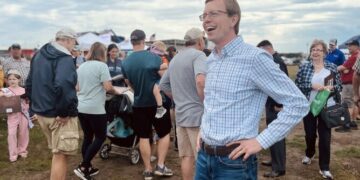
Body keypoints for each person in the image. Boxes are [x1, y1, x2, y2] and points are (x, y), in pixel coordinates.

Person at [195, 0, 309, 179]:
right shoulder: (211, 60)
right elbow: (212, 103)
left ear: (233, 19)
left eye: (213, 14)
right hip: (203, 157)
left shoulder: (255, 58)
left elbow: (298, 103)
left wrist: (260, 141)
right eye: (204, 15)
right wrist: (204, 130)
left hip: (233, 163)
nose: (206, 20)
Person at [25, 28, 79, 180]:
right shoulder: (64, 58)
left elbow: (29, 83)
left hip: (42, 112)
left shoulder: (38, 55)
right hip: (57, 114)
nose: (73, 47)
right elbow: (63, 85)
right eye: (74, 43)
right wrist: (64, 112)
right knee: (61, 155)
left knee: (57, 153)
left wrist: (33, 107)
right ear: (68, 40)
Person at [121, 29, 173, 180]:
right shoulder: (153, 58)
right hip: (157, 105)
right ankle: (161, 166)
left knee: (143, 136)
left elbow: (128, 83)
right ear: (144, 41)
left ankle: (147, 170)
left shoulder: (126, 62)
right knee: (163, 134)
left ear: (131, 42)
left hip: (139, 104)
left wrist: (138, 89)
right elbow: (164, 78)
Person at [160, 27, 207, 180]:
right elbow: (201, 82)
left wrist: (179, 97)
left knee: (186, 156)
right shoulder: (199, 55)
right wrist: (206, 102)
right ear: (200, 41)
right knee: (202, 157)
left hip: (181, 115)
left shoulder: (175, 58)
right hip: (197, 115)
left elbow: (163, 85)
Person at [74, 42, 126, 179]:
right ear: (103, 53)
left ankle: (87, 167)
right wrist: (118, 92)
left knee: (87, 136)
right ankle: (84, 165)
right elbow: (108, 87)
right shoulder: (102, 66)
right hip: (95, 108)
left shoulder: (81, 66)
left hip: (81, 106)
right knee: (101, 136)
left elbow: (77, 87)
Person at [295, 39, 342, 180]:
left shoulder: (332, 68)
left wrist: (331, 88)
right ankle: (310, 153)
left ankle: (325, 168)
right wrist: (312, 86)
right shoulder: (304, 67)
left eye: (319, 50)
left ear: (325, 53)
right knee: (310, 134)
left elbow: (339, 86)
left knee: (325, 138)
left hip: (326, 107)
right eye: (313, 49)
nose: (315, 52)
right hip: (309, 107)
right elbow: (297, 85)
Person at [257, 40, 288, 178]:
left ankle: (279, 168)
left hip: (276, 105)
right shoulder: (273, 60)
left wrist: (279, 104)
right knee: (272, 134)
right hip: (271, 104)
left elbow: (281, 85)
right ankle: (274, 160)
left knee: (277, 136)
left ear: (267, 48)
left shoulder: (277, 62)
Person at [0, 69, 30, 162]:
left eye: (14, 79)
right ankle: (13, 154)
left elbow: (28, 102)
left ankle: (22, 151)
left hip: (23, 115)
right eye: (10, 79)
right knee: (11, 134)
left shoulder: (24, 90)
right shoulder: (5, 90)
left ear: (19, 80)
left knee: (23, 133)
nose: (12, 81)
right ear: (7, 80)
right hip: (12, 115)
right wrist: (3, 95)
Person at [335, 40, 359, 132]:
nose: (348, 48)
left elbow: (342, 68)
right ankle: (353, 123)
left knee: (347, 103)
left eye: (350, 46)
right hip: (354, 83)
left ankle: (346, 124)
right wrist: (344, 69)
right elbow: (345, 69)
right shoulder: (357, 55)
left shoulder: (354, 56)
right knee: (354, 103)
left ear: (356, 46)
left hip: (349, 83)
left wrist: (338, 68)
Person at [149, 41, 168, 118]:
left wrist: (156, 67)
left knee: (155, 90)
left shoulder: (162, 58)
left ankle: (160, 108)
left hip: (160, 80)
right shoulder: (153, 58)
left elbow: (165, 66)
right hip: (156, 80)